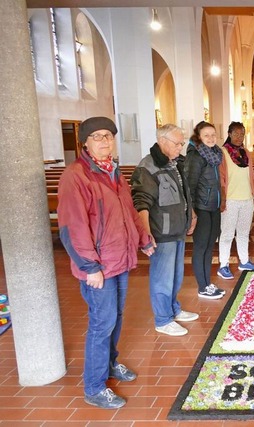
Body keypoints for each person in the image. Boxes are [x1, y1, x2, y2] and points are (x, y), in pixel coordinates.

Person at [57, 116, 155, 409]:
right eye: (97, 136)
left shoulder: (112, 172)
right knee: (102, 323)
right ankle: (94, 387)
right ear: (85, 142)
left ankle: (111, 364)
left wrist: (144, 239)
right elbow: (71, 227)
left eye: (108, 136)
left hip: (119, 259)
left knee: (116, 317)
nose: (104, 141)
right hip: (98, 265)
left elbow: (128, 211)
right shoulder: (76, 176)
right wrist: (90, 267)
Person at [130, 124, 199, 337]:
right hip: (161, 232)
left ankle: (173, 309)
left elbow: (183, 193)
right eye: (178, 143)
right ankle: (163, 319)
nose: (181, 147)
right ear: (163, 141)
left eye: (182, 143)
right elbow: (141, 202)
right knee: (162, 277)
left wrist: (192, 214)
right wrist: (146, 233)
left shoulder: (174, 162)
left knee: (176, 276)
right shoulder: (148, 166)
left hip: (177, 228)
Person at [184, 121, 226, 300]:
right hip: (201, 208)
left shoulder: (215, 153)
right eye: (206, 135)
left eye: (213, 134)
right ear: (198, 136)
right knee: (201, 247)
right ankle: (202, 286)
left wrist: (221, 199)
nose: (211, 138)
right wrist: (192, 212)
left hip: (213, 207)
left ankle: (207, 283)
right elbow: (190, 186)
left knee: (210, 246)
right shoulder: (196, 156)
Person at [217, 121, 254, 280]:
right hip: (231, 200)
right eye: (236, 133)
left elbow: (252, 176)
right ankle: (223, 265)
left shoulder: (246, 153)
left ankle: (244, 261)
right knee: (227, 233)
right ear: (229, 134)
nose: (239, 137)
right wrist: (223, 200)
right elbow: (221, 178)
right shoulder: (222, 153)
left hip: (247, 200)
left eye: (242, 134)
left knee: (243, 233)